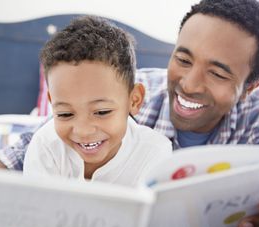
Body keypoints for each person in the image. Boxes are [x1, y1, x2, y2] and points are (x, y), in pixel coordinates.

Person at [0, 0, 259, 227]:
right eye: (183, 59)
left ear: (249, 86)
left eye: (218, 73)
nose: (188, 84)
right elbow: (33, 146)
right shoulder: (129, 89)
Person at [22, 16, 172, 186]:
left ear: (134, 100)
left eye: (102, 112)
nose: (83, 131)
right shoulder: (45, 146)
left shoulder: (154, 153)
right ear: (51, 103)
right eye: (65, 114)